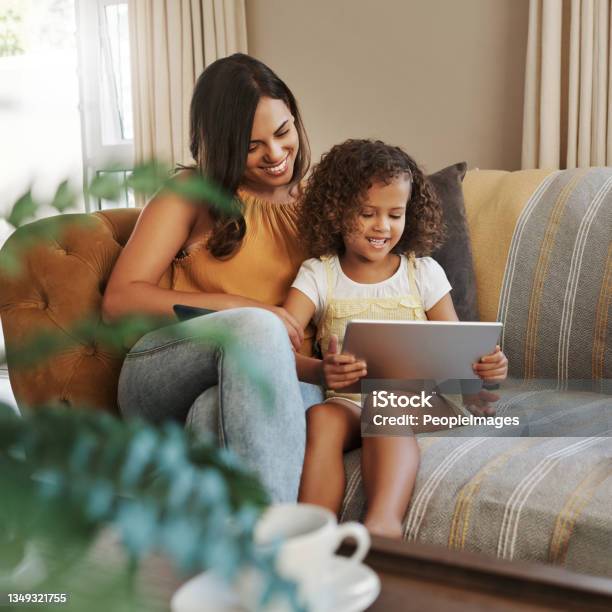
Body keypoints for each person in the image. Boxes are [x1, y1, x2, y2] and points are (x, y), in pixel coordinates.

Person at [101, 53, 323, 503]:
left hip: (276, 378)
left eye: (283, 133)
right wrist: (242, 307)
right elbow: (119, 302)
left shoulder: (319, 201)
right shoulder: (191, 193)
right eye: (252, 144)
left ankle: (234, 554)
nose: (276, 155)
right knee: (256, 330)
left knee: (209, 417)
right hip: (166, 366)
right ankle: (274, 552)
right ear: (221, 143)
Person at [283, 139, 508, 537]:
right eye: (367, 213)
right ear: (336, 211)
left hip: (419, 401)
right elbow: (279, 345)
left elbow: (459, 351)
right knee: (321, 417)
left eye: (394, 214)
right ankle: (311, 536)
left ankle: (383, 527)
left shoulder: (422, 272)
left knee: (385, 404)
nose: (382, 226)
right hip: (348, 404)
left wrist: (486, 369)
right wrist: (321, 371)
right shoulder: (318, 274)